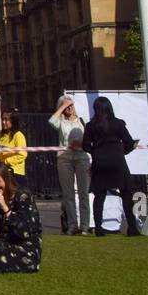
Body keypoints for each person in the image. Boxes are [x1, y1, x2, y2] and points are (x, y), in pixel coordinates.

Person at [81, 97, 140, 236]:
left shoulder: (90, 126)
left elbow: (85, 145)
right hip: (117, 161)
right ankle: (132, 228)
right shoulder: (118, 124)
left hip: (100, 161)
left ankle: (99, 228)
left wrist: (95, 152)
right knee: (126, 194)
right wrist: (123, 150)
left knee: (99, 196)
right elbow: (129, 142)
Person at [49, 93, 89, 235]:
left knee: (84, 192)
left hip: (81, 158)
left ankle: (85, 226)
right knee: (68, 194)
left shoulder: (82, 121)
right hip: (65, 158)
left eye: (71, 105)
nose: (69, 108)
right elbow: (52, 122)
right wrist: (62, 106)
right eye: (66, 105)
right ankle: (72, 225)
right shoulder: (61, 122)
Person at [0, 109, 27, 177]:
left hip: (15, 172)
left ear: (13, 121)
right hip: (2, 169)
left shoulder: (18, 135)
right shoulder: (1, 134)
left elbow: (22, 155)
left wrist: (6, 161)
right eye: (2, 119)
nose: (3, 122)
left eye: (6, 120)